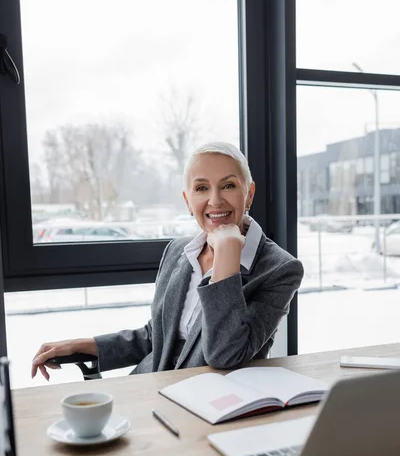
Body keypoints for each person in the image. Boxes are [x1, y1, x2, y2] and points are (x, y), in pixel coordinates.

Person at [31, 142, 304, 380]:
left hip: (218, 405)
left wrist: (228, 257)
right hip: (151, 390)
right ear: (188, 201)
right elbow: (157, 337)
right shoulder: (178, 251)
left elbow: (225, 355)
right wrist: (83, 345)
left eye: (229, 185)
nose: (215, 200)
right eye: (201, 188)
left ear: (250, 194)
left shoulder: (280, 269)